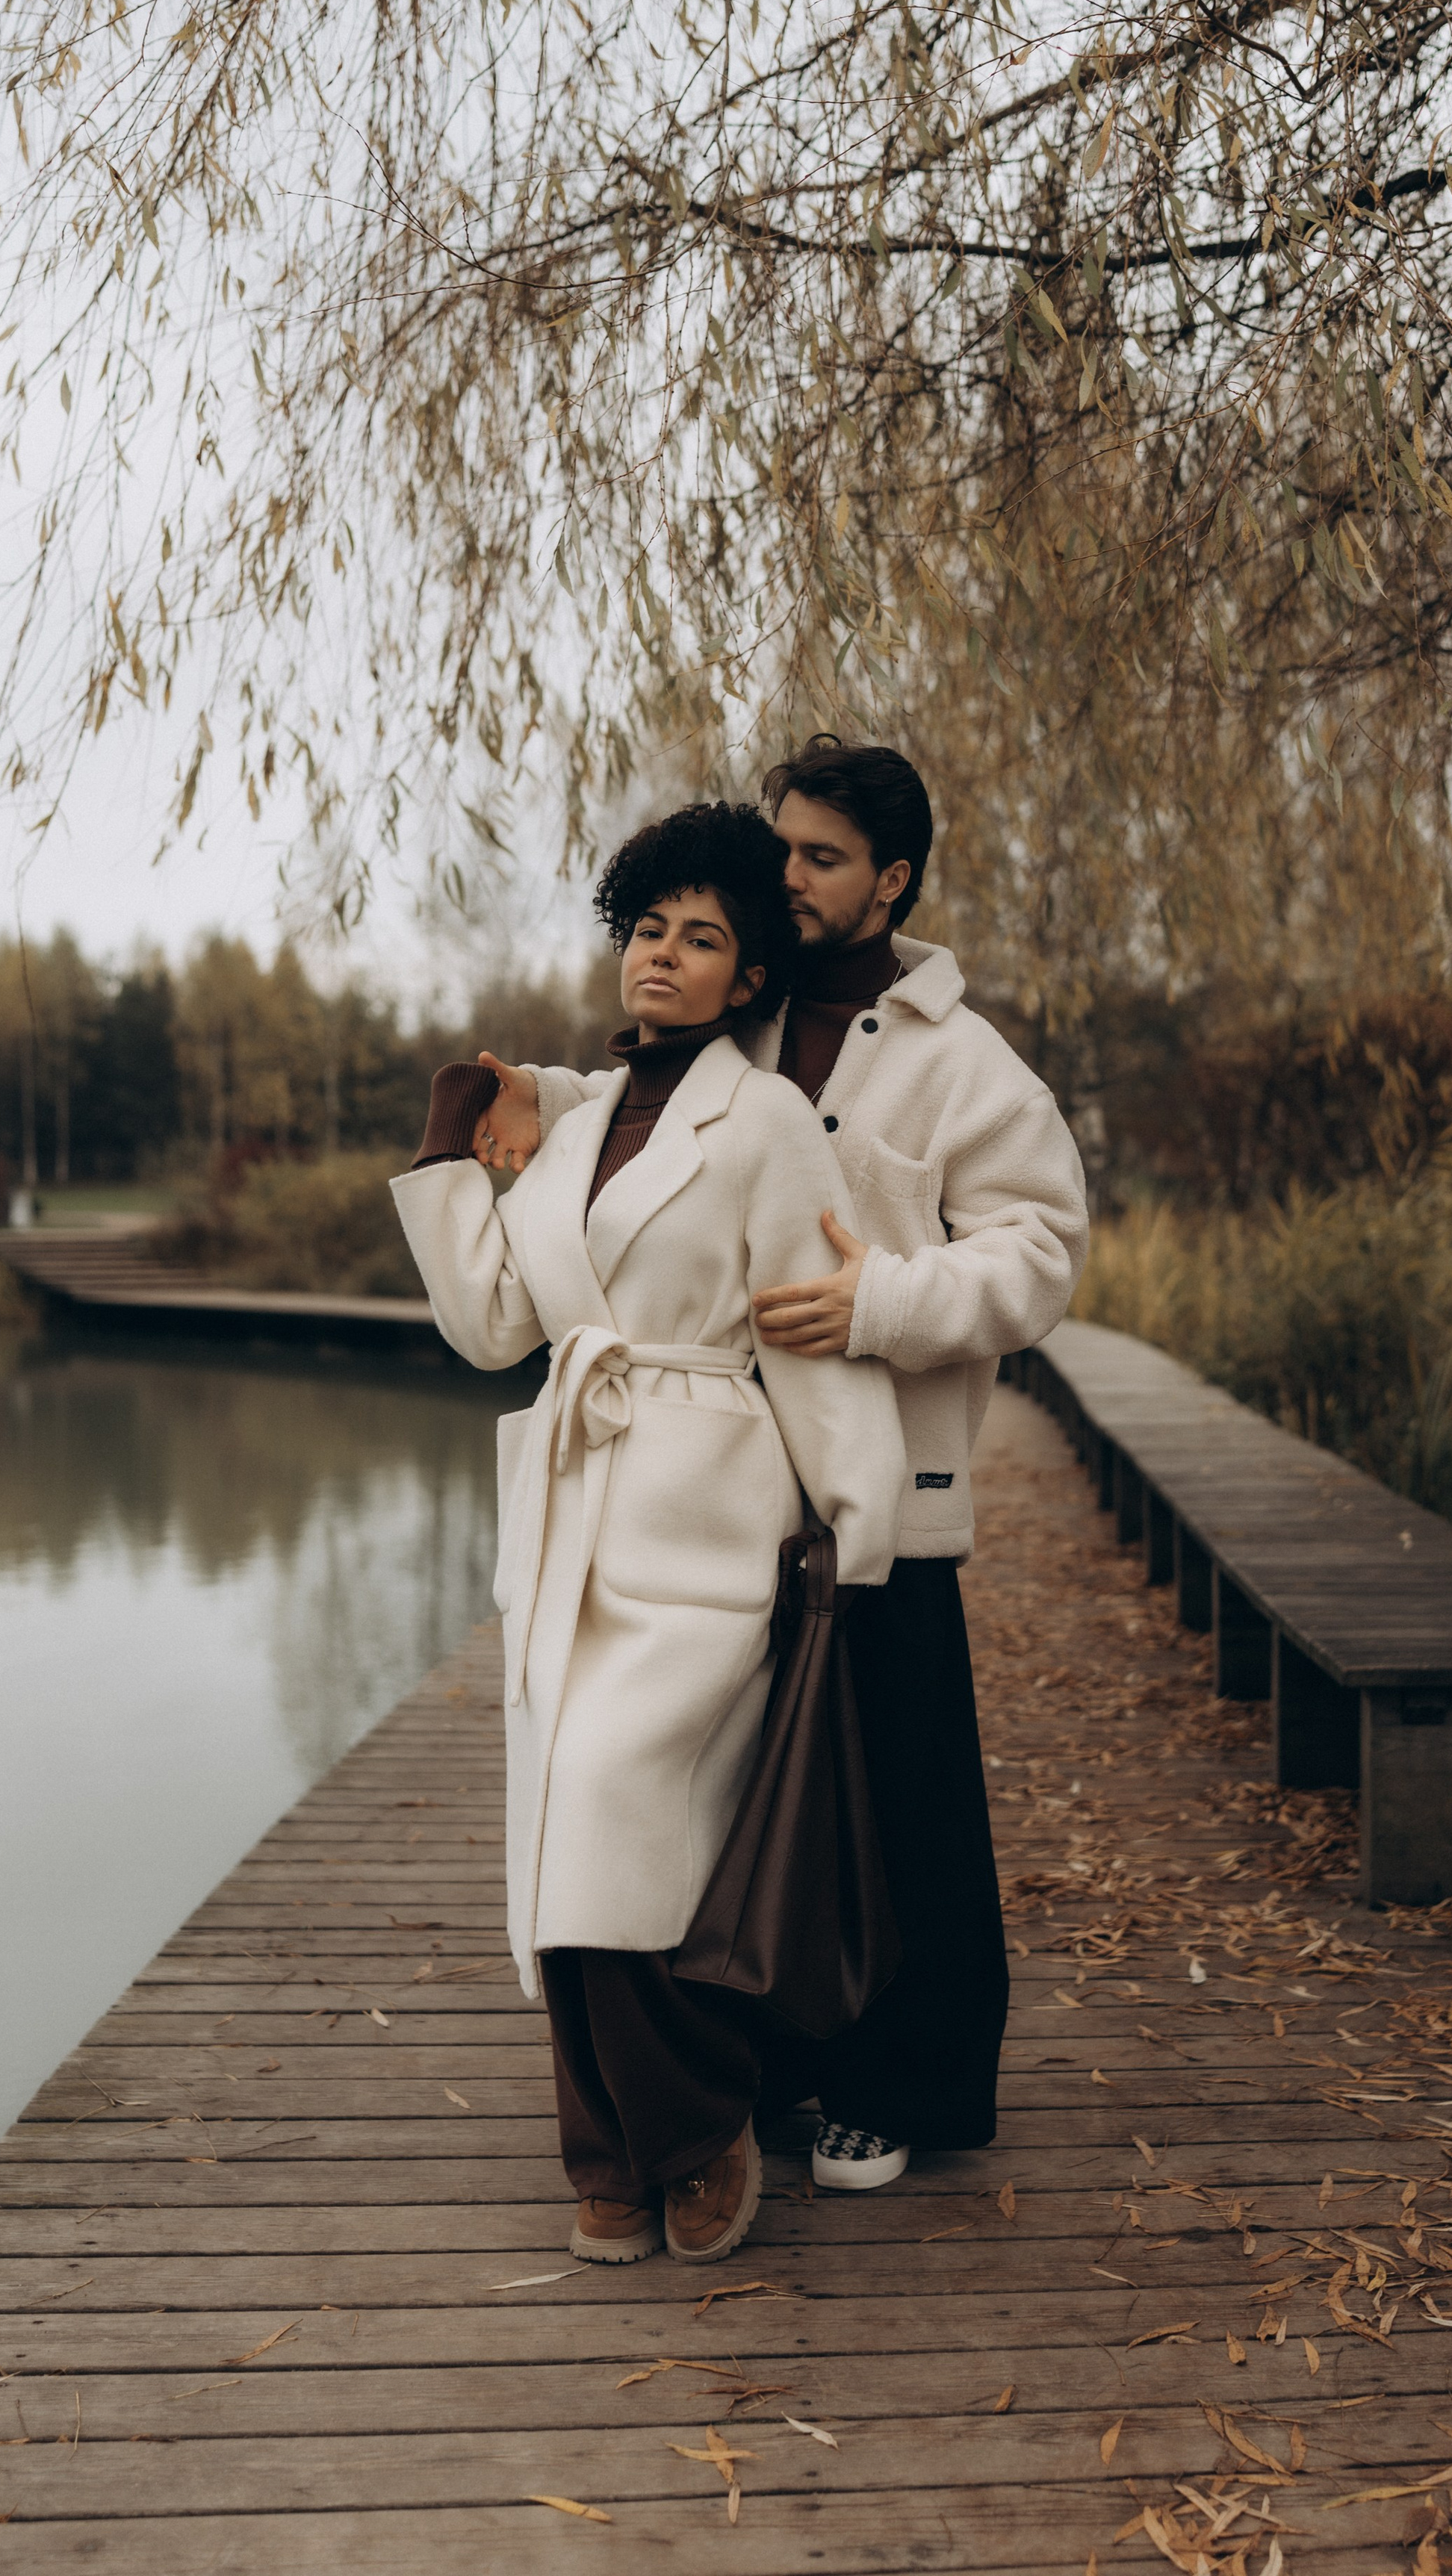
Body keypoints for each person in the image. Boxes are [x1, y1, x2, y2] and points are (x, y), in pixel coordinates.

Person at [471, 741, 1090, 2191]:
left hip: (892, 1487)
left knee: (899, 1798)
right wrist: (525, 1097)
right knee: (746, 1799)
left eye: (821, 858)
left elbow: (1041, 1257)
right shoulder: (738, 1020)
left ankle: (910, 2086)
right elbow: (630, 1109)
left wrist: (881, 1298)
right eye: (783, 850)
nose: (791, 878)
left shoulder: (961, 1062)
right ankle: (777, 2073)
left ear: (892, 881)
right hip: (721, 1495)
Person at [392, 803, 905, 2265]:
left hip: (706, 1507)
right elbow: (495, 1322)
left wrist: (851, 1534)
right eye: (646, 932)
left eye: (700, 939)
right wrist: (447, 1160)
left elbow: (809, 1339)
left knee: (621, 1804)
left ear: (748, 978)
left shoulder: (763, 1126)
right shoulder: (569, 1135)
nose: (661, 960)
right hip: (564, 1513)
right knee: (561, 1828)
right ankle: (607, 2154)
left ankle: (692, 2122)